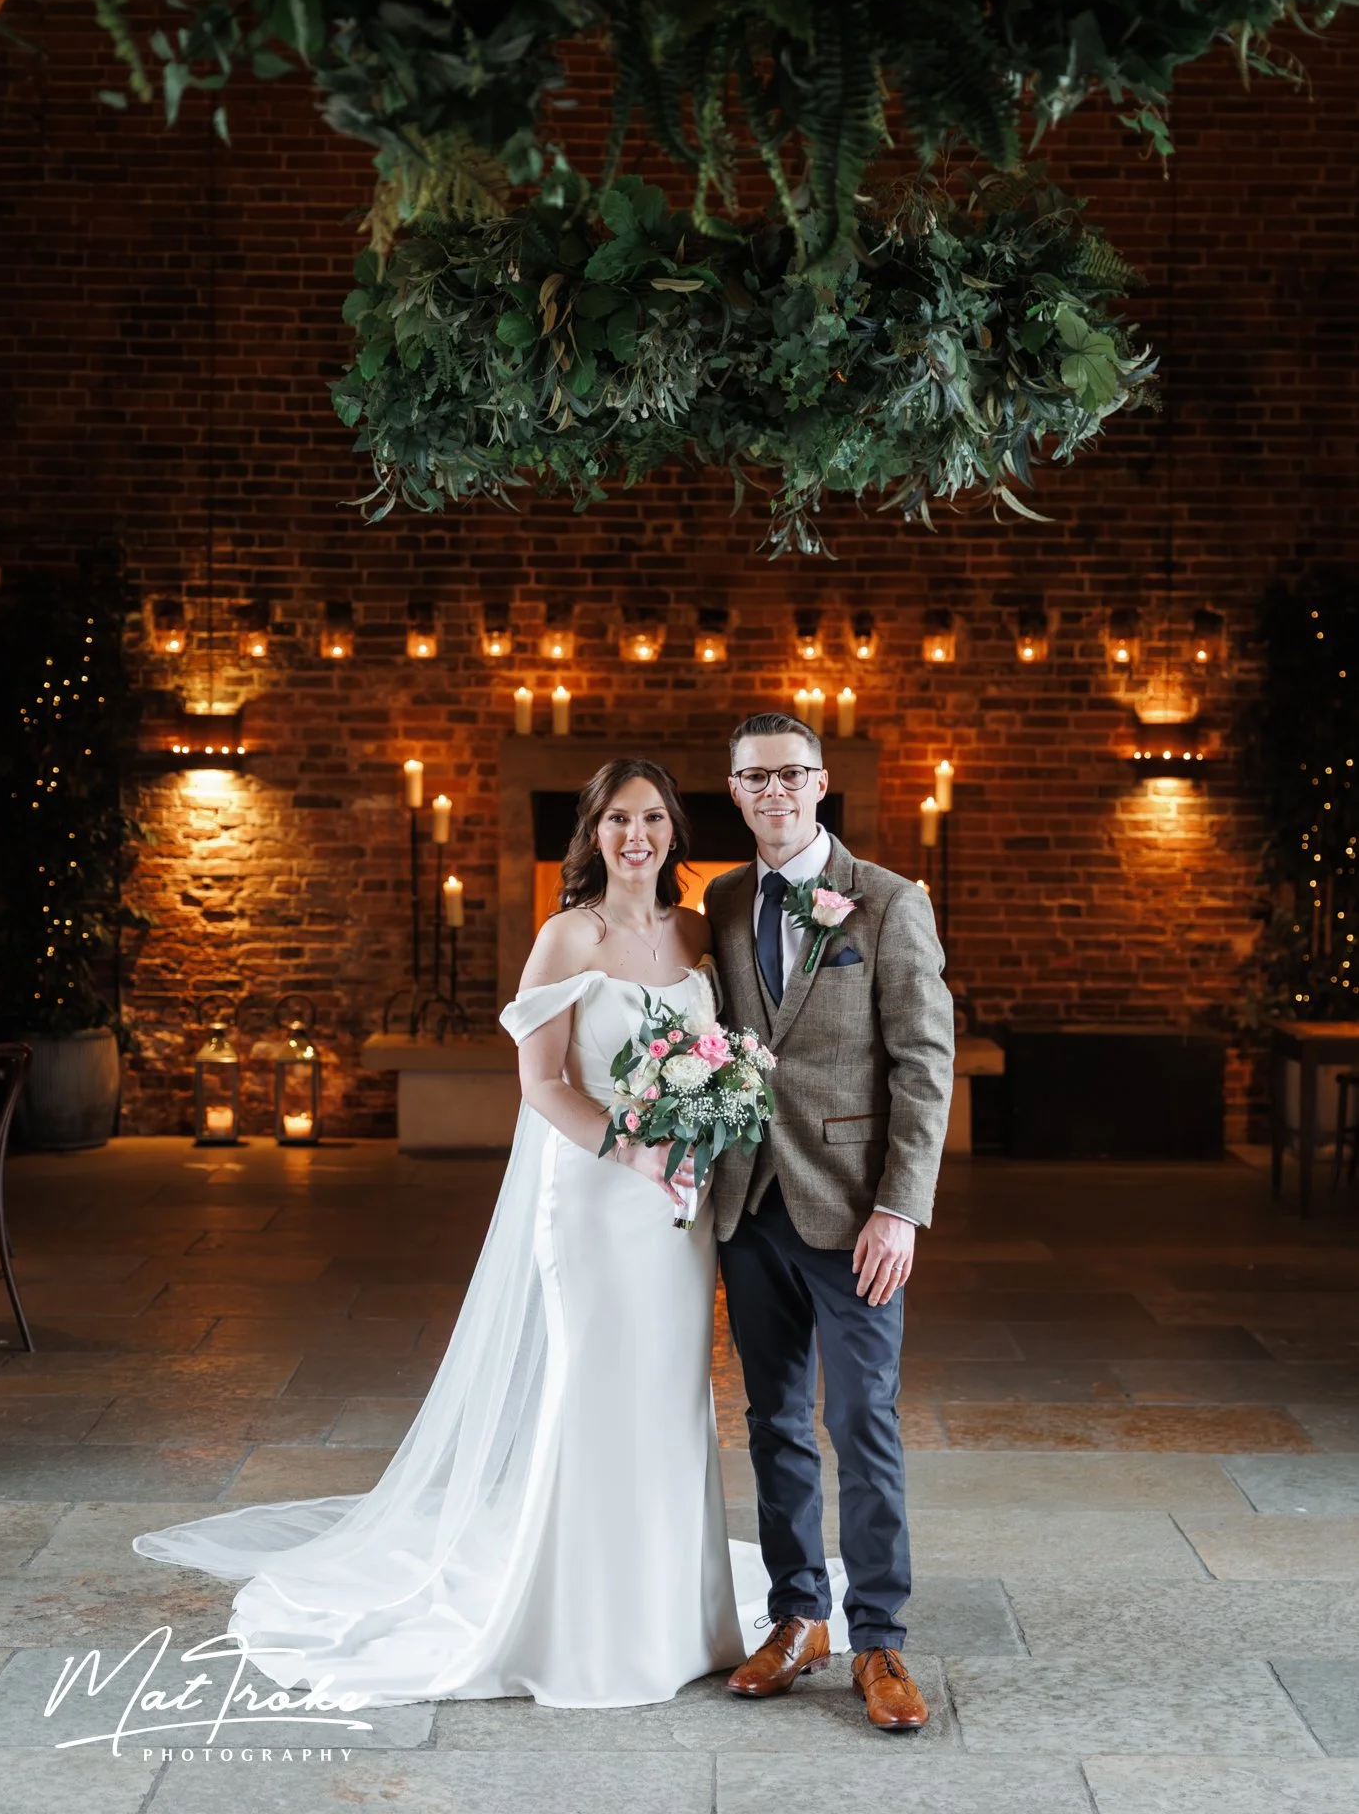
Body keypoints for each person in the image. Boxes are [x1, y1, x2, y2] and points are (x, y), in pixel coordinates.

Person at [132, 759, 744, 1708]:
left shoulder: (696, 932)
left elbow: (718, 1060)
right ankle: (580, 1620)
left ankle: (676, 1611)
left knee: (670, 1393)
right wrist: (634, 1151)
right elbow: (542, 1085)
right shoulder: (566, 936)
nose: (638, 835)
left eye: (654, 817)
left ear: (675, 833)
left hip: (677, 1213)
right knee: (593, 1387)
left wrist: (702, 1134)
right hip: (595, 1194)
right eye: (619, 818)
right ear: (593, 832)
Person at [704, 711, 954, 1732]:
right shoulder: (718, 900)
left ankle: (881, 1635)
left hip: (855, 1213)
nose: (774, 791)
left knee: (862, 1419)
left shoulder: (891, 901)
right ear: (733, 790)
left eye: (791, 774)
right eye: (754, 777)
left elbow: (924, 1065)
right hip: (749, 1204)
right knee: (771, 1421)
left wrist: (900, 1207)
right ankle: (799, 1614)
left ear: (821, 782)